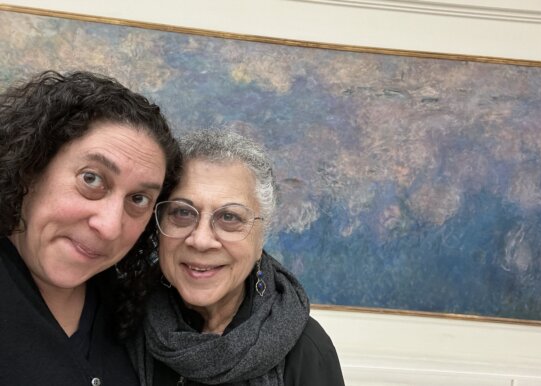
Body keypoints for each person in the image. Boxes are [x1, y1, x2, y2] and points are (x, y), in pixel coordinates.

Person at [0, 70, 181, 385]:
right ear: (31, 166)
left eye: (138, 199)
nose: (110, 227)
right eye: (91, 179)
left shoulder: (131, 311)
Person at [129, 129, 345, 386]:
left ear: (261, 237)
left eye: (229, 217)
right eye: (183, 213)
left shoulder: (308, 350)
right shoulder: (121, 324)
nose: (201, 240)